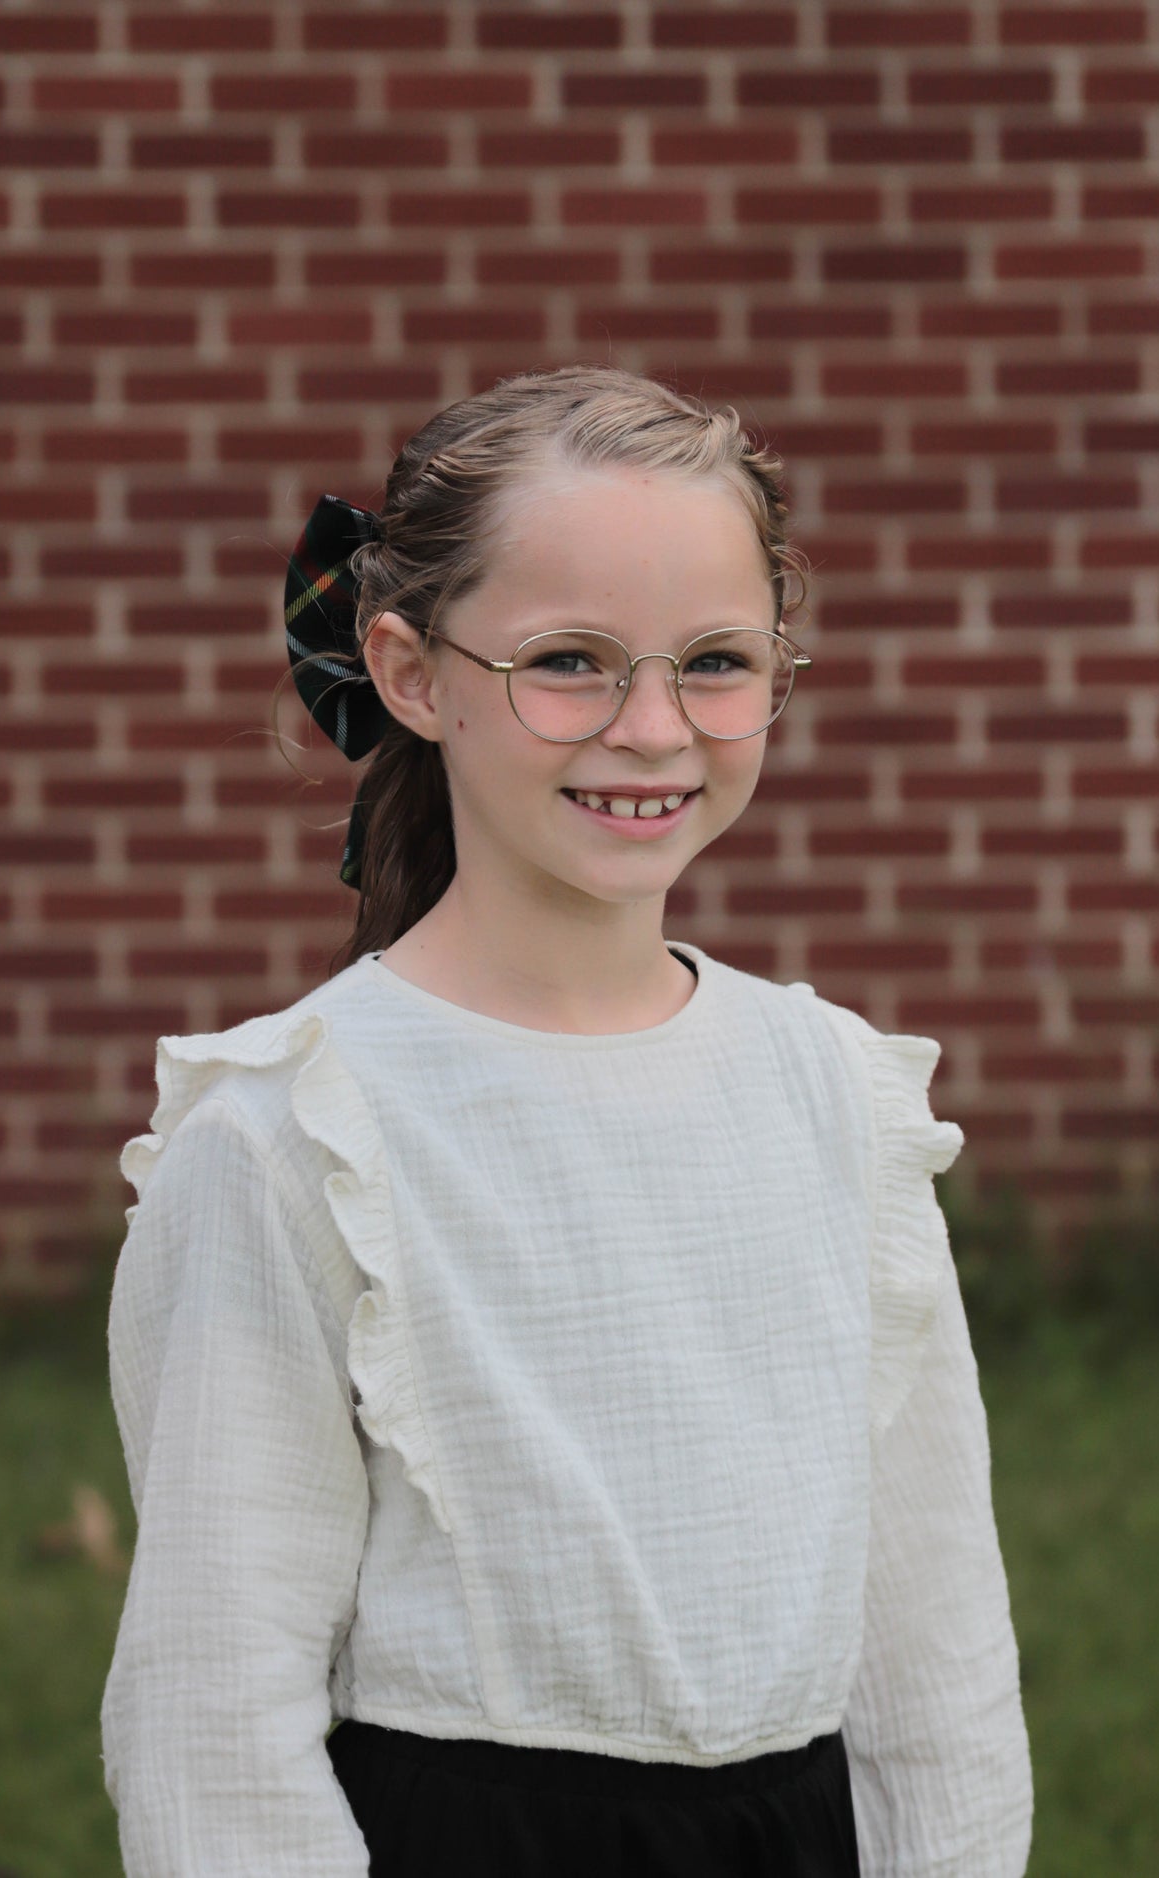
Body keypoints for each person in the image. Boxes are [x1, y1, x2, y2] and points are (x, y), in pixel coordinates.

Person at [99, 364, 1033, 1876]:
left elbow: (934, 1646)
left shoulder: (835, 1094)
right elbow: (215, 1709)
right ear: (411, 675)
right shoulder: (293, 1129)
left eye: (714, 661)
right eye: (569, 661)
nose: (651, 728)